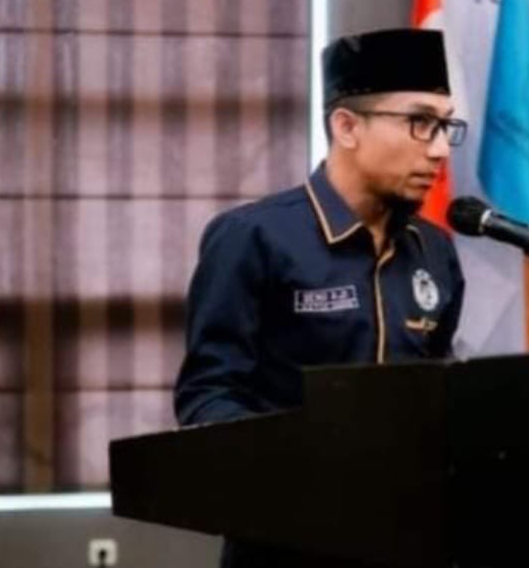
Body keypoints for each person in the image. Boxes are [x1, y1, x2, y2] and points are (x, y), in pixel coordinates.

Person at [174, 28, 467, 567]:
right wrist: (297, 468)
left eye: (447, 126)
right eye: (420, 122)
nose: (440, 149)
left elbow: (437, 391)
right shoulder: (253, 237)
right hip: (286, 542)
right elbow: (208, 396)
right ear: (347, 126)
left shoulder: (435, 250)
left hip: (406, 539)